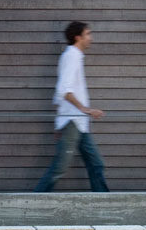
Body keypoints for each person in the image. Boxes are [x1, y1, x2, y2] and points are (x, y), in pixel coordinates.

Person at [35, 21, 110, 192]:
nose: (91, 38)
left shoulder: (74, 56)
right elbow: (63, 90)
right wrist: (86, 109)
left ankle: (105, 205)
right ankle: (32, 203)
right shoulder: (72, 56)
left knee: (96, 164)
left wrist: (58, 123)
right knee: (59, 168)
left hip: (78, 123)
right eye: (88, 34)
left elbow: (58, 95)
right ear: (78, 37)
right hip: (72, 121)